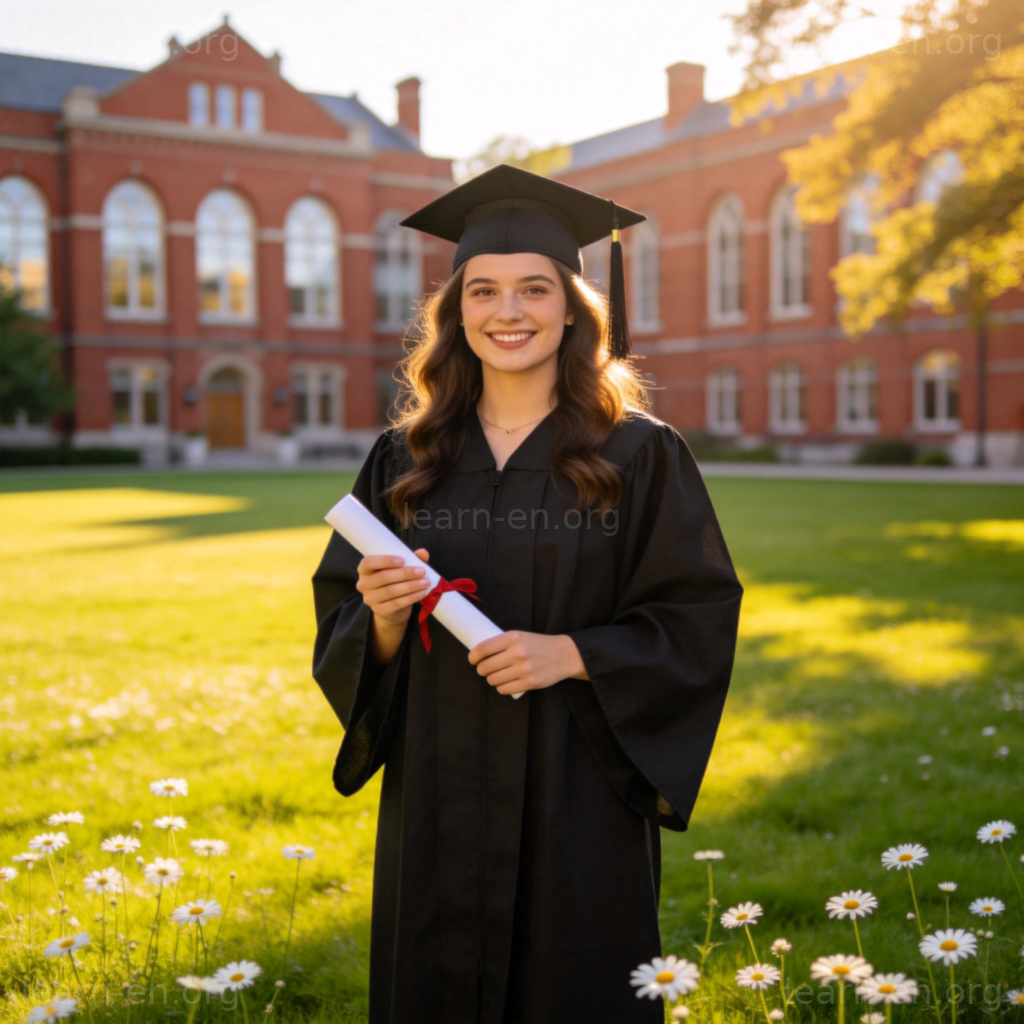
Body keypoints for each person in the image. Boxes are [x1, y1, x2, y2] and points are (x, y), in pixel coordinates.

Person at [311, 164, 743, 1024]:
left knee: (570, 981)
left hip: (575, 787)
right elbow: (342, 617)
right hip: (438, 786)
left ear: (575, 308)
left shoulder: (638, 456)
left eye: (534, 289)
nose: (507, 313)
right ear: (455, 310)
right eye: (483, 291)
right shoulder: (404, 460)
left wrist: (574, 653)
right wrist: (385, 617)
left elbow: (694, 615)